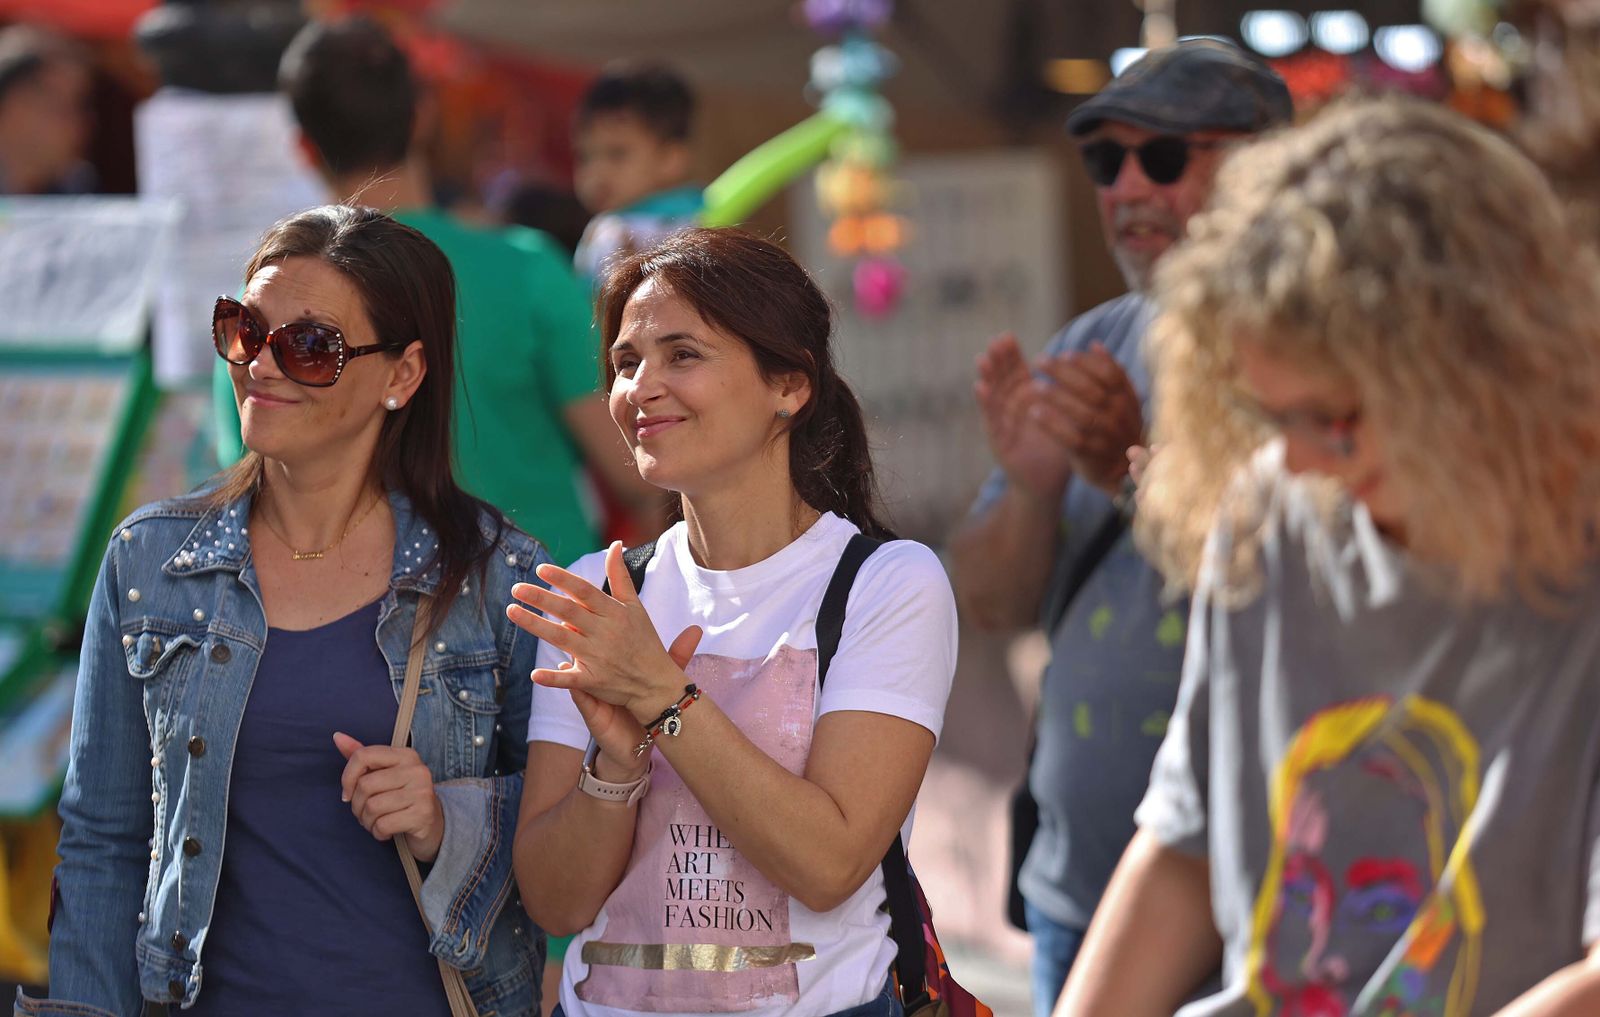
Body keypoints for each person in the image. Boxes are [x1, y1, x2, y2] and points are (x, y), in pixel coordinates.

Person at [1058, 97, 1600, 1016]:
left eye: (1335, 419)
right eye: (1273, 415)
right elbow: (1185, 849)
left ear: (1482, 370)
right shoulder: (1274, 505)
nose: (1298, 458)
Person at [22, 205, 549, 1016]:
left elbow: (572, 843)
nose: (261, 364)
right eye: (243, 328)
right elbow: (102, 844)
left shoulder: (494, 575)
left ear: (403, 375)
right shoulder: (153, 561)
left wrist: (451, 820)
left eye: (309, 346)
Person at [507, 227, 957, 1017]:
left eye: (683, 354)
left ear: (789, 384)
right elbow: (555, 901)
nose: (641, 387)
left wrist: (662, 699)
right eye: (625, 362)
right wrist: (612, 767)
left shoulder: (887, 584)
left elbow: (827, 862)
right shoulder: (598, 591)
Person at [947, 39, 1292, 1017]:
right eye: (1106, 162)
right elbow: (991, 601)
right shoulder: (1090, 344)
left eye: (1168, 156)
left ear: (1271, 165)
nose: (1129, 187)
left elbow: (1317, 583)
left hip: (1269, 894)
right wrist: (1025, 490)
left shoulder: (1331, 353)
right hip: (1085, 891)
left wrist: (1131, 475)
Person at [212, 16, 665, 564]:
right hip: (539, 612)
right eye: (313, 349)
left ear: (305, 147)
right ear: (422, 118)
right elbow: (635, 470)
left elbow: (253, 485)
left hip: (356, 616)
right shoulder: (526, 270)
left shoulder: (259, 313)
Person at [571, 63, 704, 284]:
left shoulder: (611, 232)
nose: (596, 171)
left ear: (670, 159)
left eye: (617, 154)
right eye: (584, 157)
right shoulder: (707, 213)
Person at [0, 24, 93, 195]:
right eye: (60, 106)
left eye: (80, 106)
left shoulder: (75, 186)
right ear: (10, 107)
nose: (78, 124)